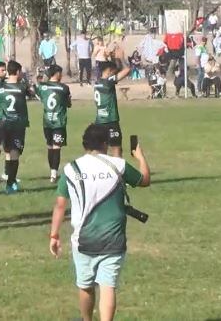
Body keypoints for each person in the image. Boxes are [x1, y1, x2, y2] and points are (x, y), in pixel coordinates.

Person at [49, 123, 151, 321]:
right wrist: (139, 156)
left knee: (85, 285)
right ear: (105, 143)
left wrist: (54, 235)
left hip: (83, 239)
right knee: (108, 287)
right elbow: (144, 179)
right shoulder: (118, 165)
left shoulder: (71, 168)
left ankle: (86, 319)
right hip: (113, 239)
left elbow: (60, 205)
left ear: (84, 144)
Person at [0, 60, 31, 194]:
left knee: (8, 153)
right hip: (17, 125)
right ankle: (11, 183)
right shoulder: (22, 87)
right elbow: (31, 93)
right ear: (19, 71)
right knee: (14, 154)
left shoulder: (0, 86)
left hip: (4, 124)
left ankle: (9, 180)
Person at [33, 65, 72, 183]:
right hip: (59, 122)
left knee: (50, 147)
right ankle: (53, 175)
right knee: (57, 148)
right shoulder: (64, 88)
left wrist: (37, 77)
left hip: (47, 122)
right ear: (57, 74)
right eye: (61, 73)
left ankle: (52, 173)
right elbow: (68, 104)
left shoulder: (43, 86)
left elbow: (37, 90)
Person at [93, 43, 130, 157]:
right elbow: (127, 70)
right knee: (116, 148)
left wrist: (111, 57)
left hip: (99, 121)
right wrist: (121, 57)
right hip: (110, 120)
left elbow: (115, 68)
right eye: (112, 71)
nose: (114, 72)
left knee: (101, 151)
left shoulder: (97, 82)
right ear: (108, 71)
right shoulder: (108, 82)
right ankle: (118, 174)